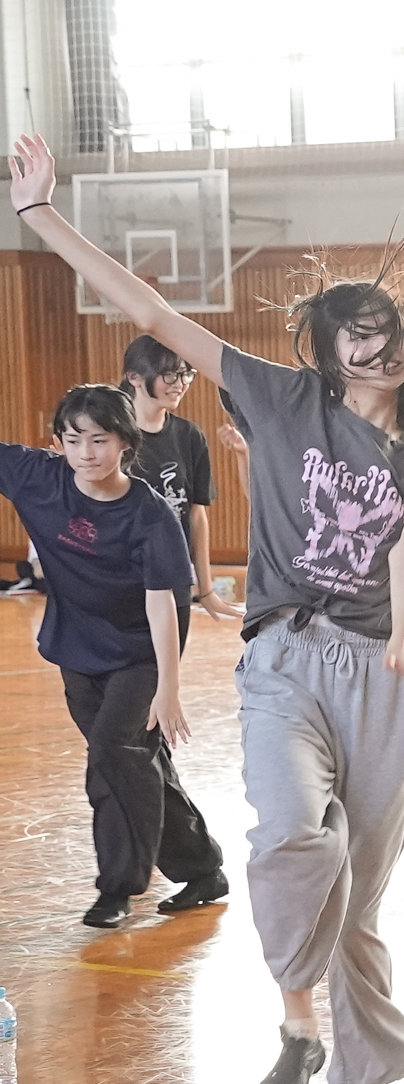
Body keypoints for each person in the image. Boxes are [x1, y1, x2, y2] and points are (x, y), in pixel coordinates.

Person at [14, 131, 404, 1084]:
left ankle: (357, 1072)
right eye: (352, 330)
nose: (370, 345)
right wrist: (38, 214)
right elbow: (152, 312)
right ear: (325, 343)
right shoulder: (275, 394)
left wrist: (403, 640)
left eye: (386, 329)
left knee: (355, 903)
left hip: (382, 674)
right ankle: (298, 1019)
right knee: (290, 835)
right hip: (283, 657)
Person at [0, 384, 226, 927]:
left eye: (99, 440)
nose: (85, 453)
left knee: (112, 750)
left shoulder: (148, 515)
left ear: (124, 441)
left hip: (144, 652)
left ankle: (118, 889)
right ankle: (202, 869)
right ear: (58, 442)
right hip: (77, 647)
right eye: (73, 440)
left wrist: (167, 689)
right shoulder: (39, 477)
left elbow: (163, 608)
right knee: (134, 760)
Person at [122, 333, 241, 633]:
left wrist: (206, 588)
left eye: (186, 373)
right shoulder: (110, 435)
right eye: (169, 374)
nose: (180, 383)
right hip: (119, 581)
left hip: (172, 581)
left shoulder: (189, 437)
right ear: (134, 377)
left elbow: (196, 516)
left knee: (164, 674)